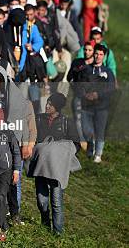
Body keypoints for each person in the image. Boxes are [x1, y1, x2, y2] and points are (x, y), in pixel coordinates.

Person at [32, 93, 80, 235]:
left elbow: (76, 144)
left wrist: (62, 154)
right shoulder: (39, 119)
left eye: (50, 104)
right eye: (47, 103)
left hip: (57, 169)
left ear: (57, 107)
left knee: (56, 201)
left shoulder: (67, 122)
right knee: (42, 201)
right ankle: (45, 224)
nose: (47, 106)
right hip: (41, 166)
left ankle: (58, 233)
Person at [79, 44, 115, 162]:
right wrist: (84, 93)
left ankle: (98, 154)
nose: (98, 56)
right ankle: (90, 148)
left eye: (101, 54)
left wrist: (98, 95)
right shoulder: (86, 69)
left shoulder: (108, 72)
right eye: (96, 54)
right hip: (87, 106)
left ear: (104, 56)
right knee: (87, 129)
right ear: (93, 54)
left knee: (100, 130)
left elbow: (111, 89)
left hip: (102, 107)